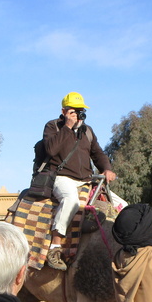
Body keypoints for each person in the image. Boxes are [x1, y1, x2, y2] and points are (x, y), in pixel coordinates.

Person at [43, 91, 117, 271]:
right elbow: (51, 150)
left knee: (118, 205)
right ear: (64, 111)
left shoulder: (87, 131)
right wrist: (67, 127)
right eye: (73, 110)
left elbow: (97, 153)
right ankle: (55, 247)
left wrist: (106, 168)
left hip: (86, 180)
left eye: (81, 110)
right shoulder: (53, 127)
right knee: (71, 201)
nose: (78, 114)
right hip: (61, 178)